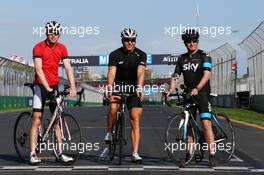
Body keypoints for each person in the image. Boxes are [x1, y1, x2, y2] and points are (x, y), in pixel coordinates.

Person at [167, 29, 216, 167]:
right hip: (189, 95)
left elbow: (207, 74)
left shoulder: (204, 55)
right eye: (189, 41)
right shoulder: (182, 58)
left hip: (203, 94)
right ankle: (189, 154)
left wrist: (198, 88)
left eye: (194, 41)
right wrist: (170, 89)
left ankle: (212, 154)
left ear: (197, 41)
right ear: (185, 43)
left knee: (206, 123)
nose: (192, 43)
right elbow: (176, 76)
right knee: (189, 126)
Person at [29, 21, 76, 164]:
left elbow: (68, 68)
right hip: (40, 86)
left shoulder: (62, 48)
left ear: (59, 34)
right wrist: (46, 87)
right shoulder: (38, 47)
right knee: (37, 118)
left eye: (56, 33)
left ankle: (60, 153)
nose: (53, 35)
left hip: (54, 86)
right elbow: (38, 69)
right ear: (46, 33)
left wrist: (73, 86)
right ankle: (32, 154)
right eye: (51, 32)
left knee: (57, 121)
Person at [104, 28, 147, 163]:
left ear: (135, 41)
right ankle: (110, 132)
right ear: (122, 41)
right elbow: (111, 72)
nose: (129, 43)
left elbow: (140, 72)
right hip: (119, 85)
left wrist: (139, 87)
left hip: (134, 87)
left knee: (135, 117)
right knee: (112, 108)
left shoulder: (141, 55)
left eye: (132, 40)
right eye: (126, 40)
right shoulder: (114, 54)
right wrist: (109, 87)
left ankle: (135, 153)